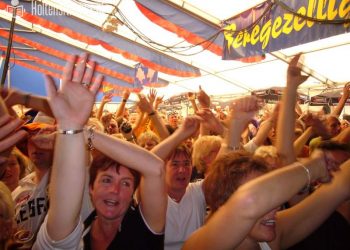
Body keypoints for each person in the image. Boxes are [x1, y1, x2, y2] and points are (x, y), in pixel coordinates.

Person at [33, 53, 167, 249]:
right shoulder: (75, 237)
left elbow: (156, 168)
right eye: (106, 180)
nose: (115, 190)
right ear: (90, 188)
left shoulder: (144, 228)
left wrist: (81, 131)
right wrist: (71, 126)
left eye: (126, 183)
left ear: (133, 194)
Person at [183, 149, 350, 250]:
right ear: (223, 204)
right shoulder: (201, 244)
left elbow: (337, 188)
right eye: (267, 199)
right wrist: (313, 167)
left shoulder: (275, 233)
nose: (276, 207)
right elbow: (249, 201)